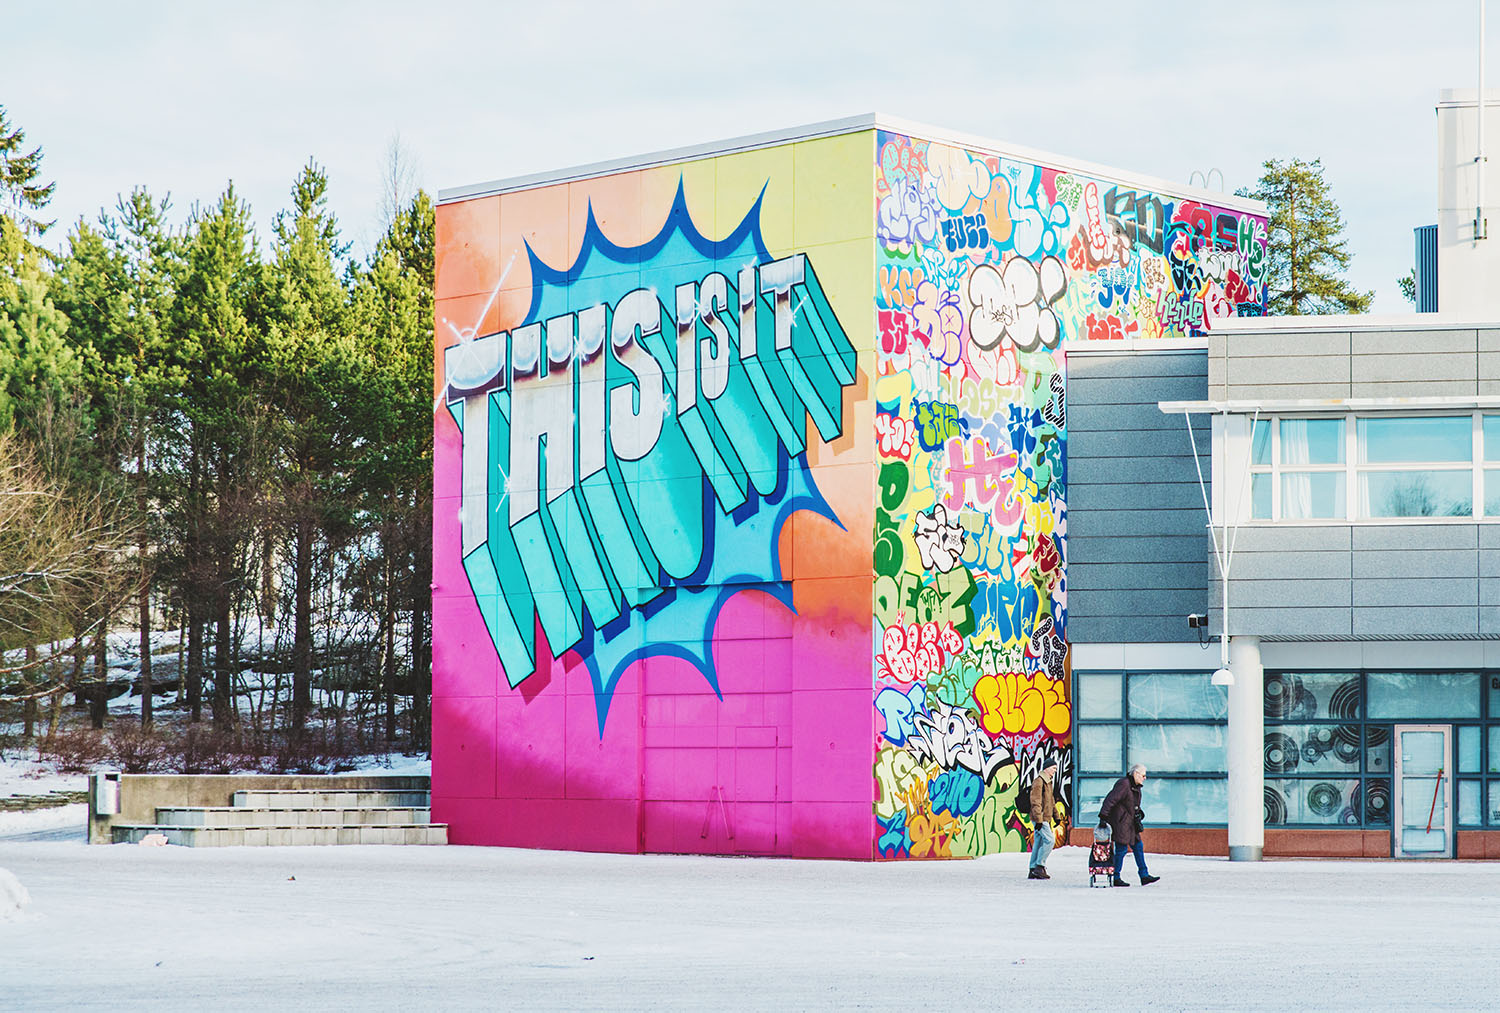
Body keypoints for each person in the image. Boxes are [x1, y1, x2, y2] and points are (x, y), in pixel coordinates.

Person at [1099, 763, 1160, 887]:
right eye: (1143, 775)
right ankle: (1115, 877)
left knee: (1138, 846)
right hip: (1121, 823)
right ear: (1136, 774)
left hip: (1131, 823)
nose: (1145, 778)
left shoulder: (1135, 787)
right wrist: (1103, 816)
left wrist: (1139, 813)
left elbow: (1132, 804)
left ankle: (1144, 875)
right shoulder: (1124, 784)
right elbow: (1111, 799)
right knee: (1121, 849)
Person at [1027, 763, 1059, 880]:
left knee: (1039, 842)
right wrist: (1039, 820)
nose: (1055, 770)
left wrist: (1056, 816)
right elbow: (1035, 801)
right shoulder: (1039, 782)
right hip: (1040, 818)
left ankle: (1032, 868)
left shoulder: (1048, 782)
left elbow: (1051, 801)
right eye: (1053, 768)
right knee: (1050, 840)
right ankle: (1040, 866)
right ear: (1046, 768)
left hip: (1044, 817)